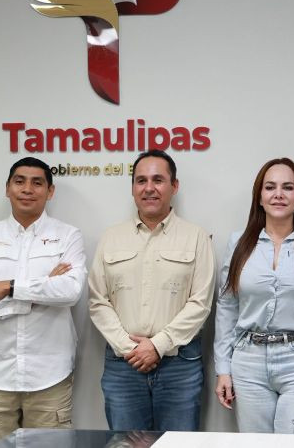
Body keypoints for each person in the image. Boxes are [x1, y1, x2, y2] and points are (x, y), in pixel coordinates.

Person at [0, 157, 87, 448]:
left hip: (50, 374)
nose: (27, 189)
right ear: (7, 188)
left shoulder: (68, 236)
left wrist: (6, 287)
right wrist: (42, 291)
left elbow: (70, 291)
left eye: (37, 183)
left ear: (50, 191)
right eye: (19, 181)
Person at [213, 158, 294, 433]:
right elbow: (227, 307)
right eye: (270, 187)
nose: (278, 194)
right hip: (248, 361)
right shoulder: (239, 243)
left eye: (288, 187)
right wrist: (223, 368)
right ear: (259, 198)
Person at [88, 149, 215, 431]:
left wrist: (157, 346)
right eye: (141, 180)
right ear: (133, 188)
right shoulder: (111, 237)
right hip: (124, 365)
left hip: (179, 366)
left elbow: (201, 302)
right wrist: (131, 349)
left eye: (158, 180)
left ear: (174, 186)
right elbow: (98, 300)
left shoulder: (196, 237)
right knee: (126, 444)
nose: (149, 188)